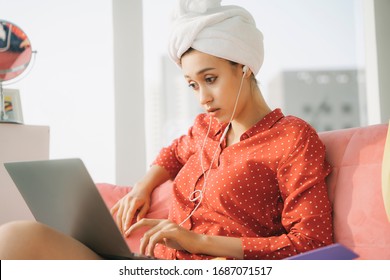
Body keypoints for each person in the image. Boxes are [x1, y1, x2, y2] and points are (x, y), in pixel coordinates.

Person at [0, 0, 333, 260]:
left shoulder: (292, 137)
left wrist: (197, 240)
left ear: (243, 67)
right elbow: (172, 154)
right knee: (17, 238)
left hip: (213, 268)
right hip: (150, 262)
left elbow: (311, 243)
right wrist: (142, 188)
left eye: (210, 79)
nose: (202, 98)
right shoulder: (206, 128)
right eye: (192, 85)